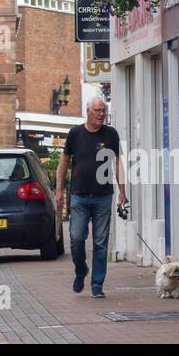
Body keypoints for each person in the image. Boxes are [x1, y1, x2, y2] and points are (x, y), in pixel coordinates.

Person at [55, 96, 125, 298]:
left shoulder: (111, 134)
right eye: (97, 111)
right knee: (76, 238)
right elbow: (64, 163)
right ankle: (80, 270)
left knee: (100, 243)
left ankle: (97, 285)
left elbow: (117, 163)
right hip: (79, 196)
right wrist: (59, 190)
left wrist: (123, 191)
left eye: (103, 111)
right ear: (88, 111)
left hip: (103, 197)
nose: (101, 114)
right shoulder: (75, 134)